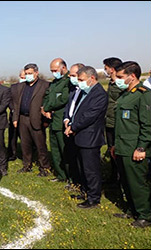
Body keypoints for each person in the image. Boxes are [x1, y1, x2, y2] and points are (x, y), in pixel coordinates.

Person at [112, 61, 151, 228]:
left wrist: (142, 147)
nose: (117, 80)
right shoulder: (125, 95)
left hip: (134, 148)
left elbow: (148, 125)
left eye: (120, 77)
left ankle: (145, 215)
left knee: (138, 183)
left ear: (132, 76)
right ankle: (132, 210)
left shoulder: (143, 95)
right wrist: (115, 145)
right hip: (122, 146)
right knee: (126, 181)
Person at [64, 66, 108, 209]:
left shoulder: (99, 94)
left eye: (81, 79)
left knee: (91, 169)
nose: (79, 82)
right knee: (82, 167)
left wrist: (73, 127)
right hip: (80, 136)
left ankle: (93, 198)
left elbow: (89, 116)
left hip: (90, 137)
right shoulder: (84, 92)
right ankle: (85, 191)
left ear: (92, 78)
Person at [12, 64, 51, 176]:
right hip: (23, 118)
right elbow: (16, 104)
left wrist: (45, 120)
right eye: (26, 74)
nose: (28, 76)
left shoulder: (45, 85)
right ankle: (26, 165)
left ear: (36, 73)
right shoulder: (22, 86)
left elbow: (47, 103)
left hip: (37, 119)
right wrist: (16, 118)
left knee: (40, 145)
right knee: (25, 144)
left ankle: (44, 167)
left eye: (30, 73)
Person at [42, 58, 70, 182]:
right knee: (55, 150)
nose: (53, 72)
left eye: (55, 70)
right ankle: (61, 175)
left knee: (65, 151)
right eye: (52, 70)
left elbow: (63, 99)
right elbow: (47, 97)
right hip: (53, 121)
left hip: (62, 121)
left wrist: (47, 107)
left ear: (63, 68)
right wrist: (45, 109)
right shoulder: (54, 83)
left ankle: (70, 176)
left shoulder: (68, 82)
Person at [63, 63, 85, 193]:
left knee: (82, 160)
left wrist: (73, 126)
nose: (70, 77)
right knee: (71, 157)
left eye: (73, 75)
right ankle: (75, 181)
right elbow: (68, 107)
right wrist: (66, 119)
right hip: (69, 127)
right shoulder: (74, 90)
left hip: (79, 130)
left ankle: (83, 185)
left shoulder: (86, 92)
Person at [103, 57, 124, 183]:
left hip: (118, 122)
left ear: (112, 69)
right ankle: (113, 176)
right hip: (109, 122)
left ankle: (121, 178)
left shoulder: (121, 83)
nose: (105, 71)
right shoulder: (111, 83)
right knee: (111, 150)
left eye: (106, 68)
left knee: (118, 151)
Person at [7, 70, 26, 161]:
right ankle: (12, 153)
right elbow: (9, 100)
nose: (23, 79)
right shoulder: (13, 87)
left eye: (24, 77)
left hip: (24, 116)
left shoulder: (29, 87)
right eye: (22, 77)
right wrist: (13, 110)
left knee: (25, 136)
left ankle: (26, 154)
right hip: (13, 114)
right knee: (12, 136)